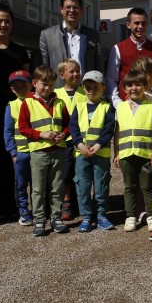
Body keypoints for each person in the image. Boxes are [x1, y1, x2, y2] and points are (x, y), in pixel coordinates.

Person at [0, 2, 30, 221]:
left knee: (16, 156)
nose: (3, 25)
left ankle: (14, 206)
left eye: (7, 21)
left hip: (18, 106)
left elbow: (29, 83)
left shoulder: (19, 51)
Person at [18, 65, 71, 236]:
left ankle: (56, 217)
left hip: (58, 151)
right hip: (39, 152)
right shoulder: (28, 103)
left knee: (57, 187)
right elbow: (23, 128)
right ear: (34, 83)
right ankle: (39, 219)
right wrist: (42, 134)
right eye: (43, 84)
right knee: (38, 188)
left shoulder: (60, 102)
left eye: (51, 85)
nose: (47, 88)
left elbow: (68, 125)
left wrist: (63, 135)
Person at [113, 69, 152, 233]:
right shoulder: (120, 107)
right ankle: (130, 216)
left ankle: (151, 215)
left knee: (148, 186)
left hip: (146, 154)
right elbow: (117, 132)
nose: (134, 88)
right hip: (127, 154)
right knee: (129, 186)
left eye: (138, 84)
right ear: (124, 88)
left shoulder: (151, 106)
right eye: (129, 85)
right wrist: (117, 153)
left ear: (145, 87)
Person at [70, 71, 116, 232]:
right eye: (87, 87)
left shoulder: (107, 107)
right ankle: (86, 217)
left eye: (95, 87)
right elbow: (74, 128)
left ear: (103, 87)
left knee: (101, 184)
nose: (91, 90)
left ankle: (102, 215)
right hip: (81, 154)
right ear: (83, 88)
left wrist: (98, 145)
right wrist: (80, 145)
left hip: (100, 154)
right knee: (82, 185)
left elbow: (109, 129)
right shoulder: (79, 107)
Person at [39, 0, 104, 87]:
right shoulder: (47, 35)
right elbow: (44, 69)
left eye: (75, 7)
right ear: (62, 10)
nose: (72, 10)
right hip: (58, 92)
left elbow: (99, 68)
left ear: (81, 10)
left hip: (87, 91)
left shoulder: (93, 35)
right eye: (68, 7)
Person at [106, 7, 152, 107]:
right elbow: (112, 79)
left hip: (149, 104)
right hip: (125, 104)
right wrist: (117, 103)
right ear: (128, 25)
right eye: (137, 23)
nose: (140, 27)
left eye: (144, 23)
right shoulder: (118, 49)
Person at [55, 58, 85, 220]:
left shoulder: (85, 92)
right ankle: (66, 203)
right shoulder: (56, 94)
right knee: (65, 174)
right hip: (63, 141)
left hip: (83, 141)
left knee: (81, 173)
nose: (75, 74)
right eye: (71, 71)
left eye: (77, 71)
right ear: (61, 75)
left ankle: (83, 203)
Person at [3, 70, 33, 226]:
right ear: (12, 90)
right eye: (17, 87)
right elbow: (8, 132)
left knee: (37, 183)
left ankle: (38, 209)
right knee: (21, 183)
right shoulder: (12, 106)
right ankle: (23, 210)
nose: (21, 89)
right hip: (20, 153)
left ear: (31, 85)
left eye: (24, 85)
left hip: (37, 151)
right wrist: (13, 153)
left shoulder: (37, 102)